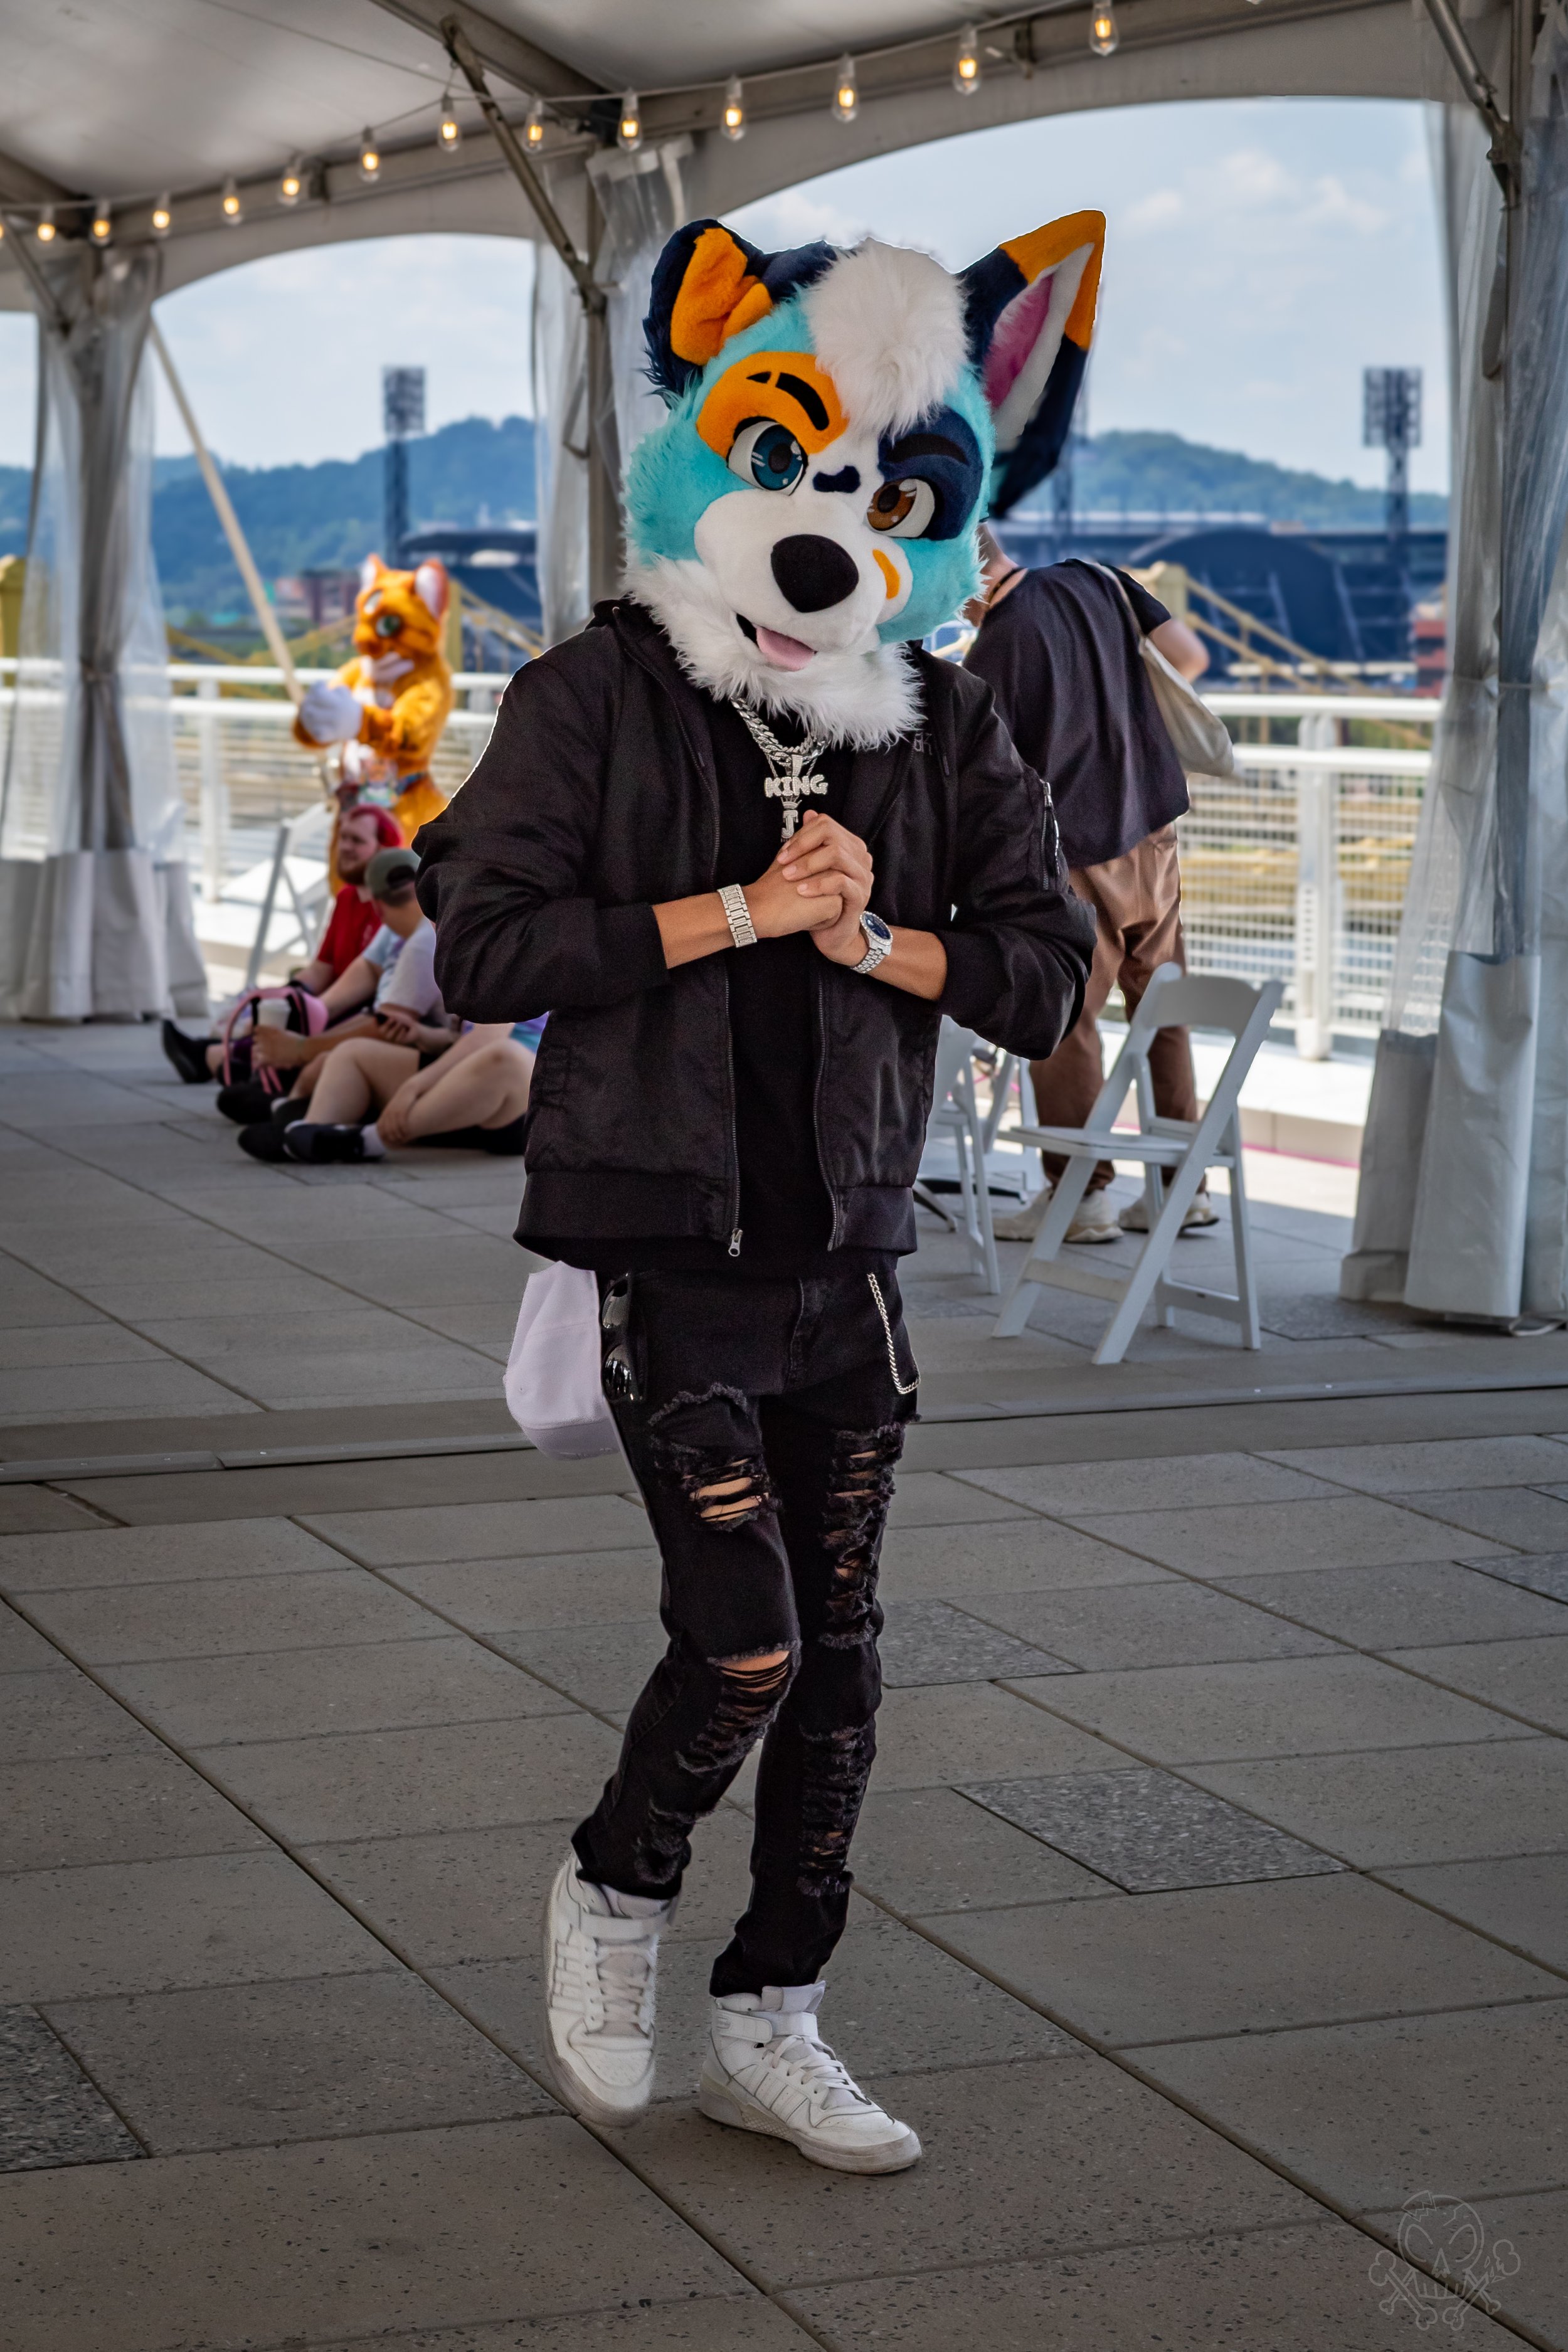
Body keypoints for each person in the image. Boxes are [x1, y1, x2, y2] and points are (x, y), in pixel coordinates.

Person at [416, 213, 1098, 2173]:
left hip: (846, 1246)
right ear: (709, 448)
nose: (830, 526)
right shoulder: (592, 697)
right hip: (658, 1239)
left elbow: (1042, 968)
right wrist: (728, 914)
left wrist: (883, 945)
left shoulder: (943, 723)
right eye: (791, 465)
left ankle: (770, 2010)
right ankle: (614, 1886)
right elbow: (481, 944)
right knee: (745, 1637)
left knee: (849, 1661)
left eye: (882, 488)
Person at [964, 528, 1217, 1243]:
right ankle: (1182, 1187)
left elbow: (989, 780)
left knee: (1065, 1017)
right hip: (1154, 830)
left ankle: (1080, 1196)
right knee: (1162, 1005)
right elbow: (1188, 659)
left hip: (1076, 851)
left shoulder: (996, 647)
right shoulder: (1098, 578)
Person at [159, 803, 403, 1091]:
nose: (345, 847)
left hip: (359, 1008)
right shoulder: (347, 898)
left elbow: (369, 979)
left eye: (357, 841)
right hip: (333, 1003)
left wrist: (301, 1003)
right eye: (343, 837)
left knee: (299, 1016)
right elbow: (322, 968)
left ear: (384, 849)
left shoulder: (392, 907)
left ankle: (215, 1059)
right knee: (280, 1006)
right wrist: (290, 991)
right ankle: (227, 1060)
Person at [237, 845, 452, 1160]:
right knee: (335, 1054)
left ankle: (307, 1126)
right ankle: (290, 1112)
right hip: (457, 1054)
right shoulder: (427, 928)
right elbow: (382, 1019)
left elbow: (383, 1028)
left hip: (451, 1064)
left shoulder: (422, 942)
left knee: (348, 1055)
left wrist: (300, 1049)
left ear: (377, 908)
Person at [274, 1019, 536, 1164]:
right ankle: (310, 1133)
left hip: (520, 1110)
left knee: (506, 1057)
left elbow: (490, 1040)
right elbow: (465, 1036)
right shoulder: (467, 949)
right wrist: (425, 1034)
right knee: (352, 1052)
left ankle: (368, 1140)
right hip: (460, 1094)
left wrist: (414, 1086)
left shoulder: (513, 947)